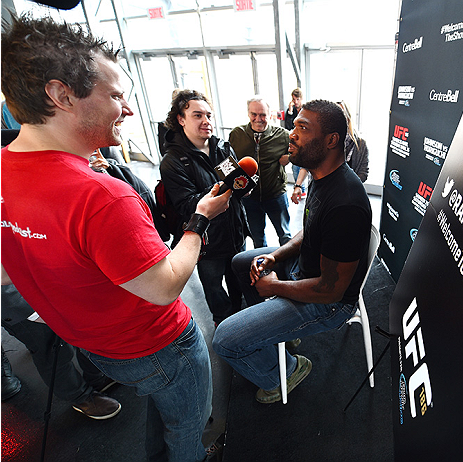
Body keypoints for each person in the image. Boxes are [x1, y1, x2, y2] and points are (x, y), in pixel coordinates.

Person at [1, 14, 231, 462]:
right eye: (116, 95)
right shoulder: (101, 196)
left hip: (94, 344)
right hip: (159, 345)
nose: (127, 109)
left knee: (163, 413)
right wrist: (200, 220)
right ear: (60, 95)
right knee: (185, 424)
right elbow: (164, 286)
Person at [212, 100, 372, 404]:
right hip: (305, 273)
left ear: (331, 140)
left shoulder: (346, 203)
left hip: (328, 304)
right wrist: (277, 256)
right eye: (294, 125)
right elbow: (308, 230)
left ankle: (284, 371)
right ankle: (275, 332)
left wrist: (275, 287)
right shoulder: (322, 175)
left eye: (302, 127)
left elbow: (330, 291)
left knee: (225, 341)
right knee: (241, 261)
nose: (292, 133)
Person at [160, 90, 250, 325]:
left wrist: (244, 186)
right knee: (214, 289)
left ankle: (242, 322)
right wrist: (223, 189)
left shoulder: (222, 148)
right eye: (197, 115)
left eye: (208, 115)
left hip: (235, 232)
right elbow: (187, 204)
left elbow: (236, 183)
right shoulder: (172, 161)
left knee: (238, 282)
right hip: (208, 243)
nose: (206, 121)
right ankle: (223, 325)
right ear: (181, 119)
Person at [1, 284, 121, 419]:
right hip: (13, 297)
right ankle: (79, 395)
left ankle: (98, 377)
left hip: (41, 279)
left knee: (82, 325)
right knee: (50, 347)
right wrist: (30, 312)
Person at [228, 96, 292, 248]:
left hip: (276, 194)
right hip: (250, 198)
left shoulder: (282, 135)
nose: (258, 119)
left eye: (263, 114)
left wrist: (290, 158)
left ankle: (289, 268)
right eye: (254, 114)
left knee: (285, 235)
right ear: (248, 114)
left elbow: (301, 153)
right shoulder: (237, 134)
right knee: (257, 238)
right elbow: (228, 161)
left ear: (269, 114)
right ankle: (262, 268)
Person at [338, 101, 369, 182]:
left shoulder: (360, 144)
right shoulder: (326, 141)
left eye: (341, 114)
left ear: (348, 117)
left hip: (350, 190)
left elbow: (363, 173)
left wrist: (350, 186)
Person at [284, 88, 307, 196]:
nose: (295, 102)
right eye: (294, 99)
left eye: (297, 99)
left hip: (304, 142)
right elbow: (288, 126)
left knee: (303, 166)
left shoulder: (306, 111)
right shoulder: (292, 110)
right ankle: (301, 188)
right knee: (295, 166)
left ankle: (302, 188)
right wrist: (289, 111)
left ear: (301, 99)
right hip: (295, 142)